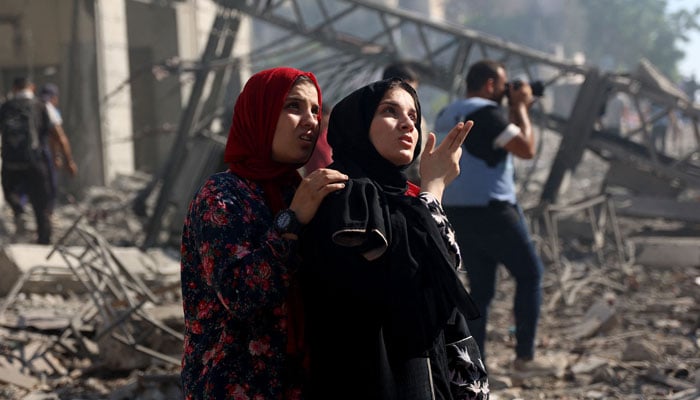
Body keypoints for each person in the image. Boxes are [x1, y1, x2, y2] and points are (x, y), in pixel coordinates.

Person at [299, 78, 489, 399]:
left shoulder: (402, 198)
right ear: (358, 125)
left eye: (413, 116)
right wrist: (435, 188)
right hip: (375, 376)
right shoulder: (347, 195)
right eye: (390, 111)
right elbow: (425, 270)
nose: (407, 124)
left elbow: (442, 273)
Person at [179, 67, 348, 399]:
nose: (311, 121)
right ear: (260, 114)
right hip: (233, 386)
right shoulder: (222, 196)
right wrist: (292, 221)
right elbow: (241, 295)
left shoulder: (299, 191)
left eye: (315, 110)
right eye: (293, 107)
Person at [434, 60, 552, 375]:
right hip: (494, 210)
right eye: (502, 85)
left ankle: (476, 363)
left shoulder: (448, 113)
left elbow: (495, 142)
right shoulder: (486, 113)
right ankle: (524, 357)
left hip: (457, 212)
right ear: (489, 85)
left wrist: (512, 108)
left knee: (481, 291)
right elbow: (525, 148)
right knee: (530, 275)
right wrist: (523, 107)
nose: (505, 91)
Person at [0, 77, 74, 244]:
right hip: (36, 161)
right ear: (32, 87)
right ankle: (44, 241)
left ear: (14, 88)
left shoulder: (5, 107)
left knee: (10, 192)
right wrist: (67, 161)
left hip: (11, 162)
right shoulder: (42, 106)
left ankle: (20, 212)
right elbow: (59, 137)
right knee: (42, 204)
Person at [382, 62, 427, 185]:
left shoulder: (372, 114)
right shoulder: (414, 118)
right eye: (413, 90)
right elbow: (417, 157)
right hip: (405, 185)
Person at [38, 83, 78, 206]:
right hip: (43, 156)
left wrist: (56, 156)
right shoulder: (49, 108)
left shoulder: (34, 106)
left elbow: (50, 137)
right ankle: (48, 216)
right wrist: (69, 161)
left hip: (26, 156)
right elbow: (60, 138)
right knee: (50, 189)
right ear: (54, 97)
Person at [302, 104, 332, 175]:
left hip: (330, 174)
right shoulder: (308, 136)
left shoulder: (328, 134)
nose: (327, 122)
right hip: (315, 177)